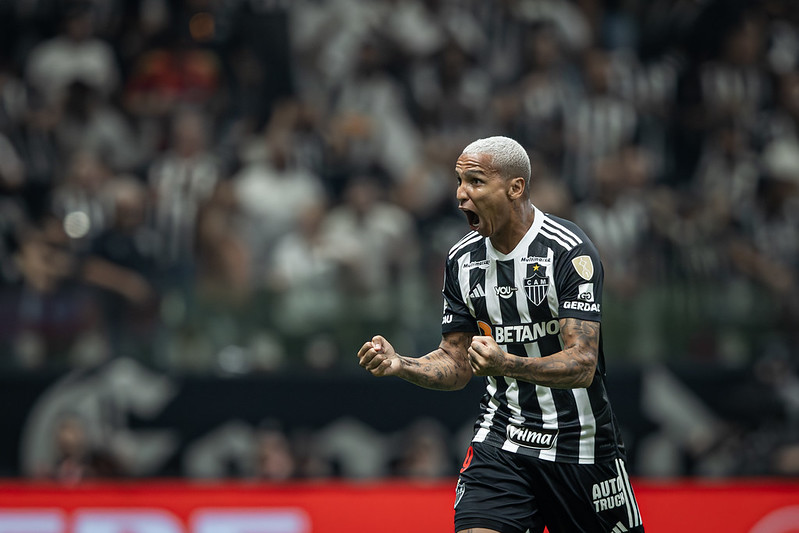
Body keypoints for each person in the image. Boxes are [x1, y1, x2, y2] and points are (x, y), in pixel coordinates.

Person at [357, 136, 644, 533]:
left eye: (475, 181)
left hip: (581, 447)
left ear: (515, 188)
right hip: (503, 440)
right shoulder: (461, 260)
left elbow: (582, 364)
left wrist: (507, 363)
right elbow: (456, 363)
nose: (461, 195)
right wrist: (399, 364)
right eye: (459, 181)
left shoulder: (567, 250)